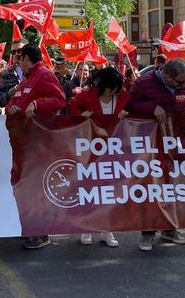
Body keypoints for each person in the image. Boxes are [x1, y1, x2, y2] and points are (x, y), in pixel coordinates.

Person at [126, 58, 185, 251]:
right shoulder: (144, 83)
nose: (184, 85)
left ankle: (169, 229)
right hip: (151, 144)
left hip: (176, 143)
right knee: (152, 187)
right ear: (167, 76)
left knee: (173, 186)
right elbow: (130, 102)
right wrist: (151, 108)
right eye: (179, 82)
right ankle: (148, 233)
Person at [6, 43, 66, 249]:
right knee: (25, 186)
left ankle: (41, 233)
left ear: (26, 58)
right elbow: (16, 101)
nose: (17, 61)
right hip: (23, 142)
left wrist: (38, 105)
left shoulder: (45, 75)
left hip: (38, 142)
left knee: (37, 187)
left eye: (19, 57)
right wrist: (11, 107)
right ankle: (30, 227)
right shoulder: (28, 79)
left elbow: (59, 100)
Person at [68, 66, 129, 248]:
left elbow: (135, 110)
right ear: (103, 86)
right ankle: (86, 227)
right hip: (90, 148)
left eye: (116, 90)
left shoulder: (124, 97)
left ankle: (106, 229)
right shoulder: (87, 95)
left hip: (114, 148)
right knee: (89, 187)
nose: (113, 94)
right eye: (110, 89)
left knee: (109, 189)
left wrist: (127, 115)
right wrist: (81, 115)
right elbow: (71, 106)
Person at [0, 38, 26, 106]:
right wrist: (14, 91)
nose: (16, 54)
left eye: (19, 51)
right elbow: (0, 100)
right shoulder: (4, 74)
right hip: (14, 114)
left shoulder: (35, 72)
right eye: (13, 52)